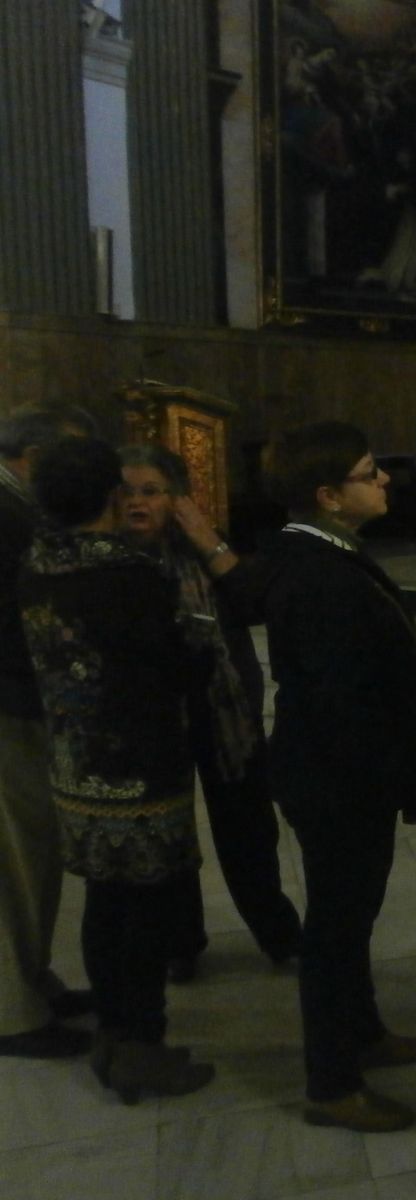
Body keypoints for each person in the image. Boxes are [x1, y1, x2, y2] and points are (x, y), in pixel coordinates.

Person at [17, 436, 214, 1101]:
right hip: (138, 768)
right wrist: (199, 645)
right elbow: (173, 667)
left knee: (105, 903)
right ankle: (141, 1046)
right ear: (113, 495)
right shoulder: (129, 573)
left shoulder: (37, 563)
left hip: (75, 764)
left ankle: (113, 1032)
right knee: (148, 911)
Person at [258, 420, 416, 1133]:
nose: (385, 479)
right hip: (336, 779)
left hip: (340, 773)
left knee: (351, 918)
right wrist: (392, 773)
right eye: (370, 472)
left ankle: (363, 1032)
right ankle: (332, 1084)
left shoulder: (326, 553)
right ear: (330, 495)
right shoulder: (320, 572)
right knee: (334, 932)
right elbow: (342, 699)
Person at [118, 444, 302, 980]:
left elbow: (253, 604)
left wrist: (206, 538)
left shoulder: (207, 551)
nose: (136, 502)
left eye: (150, 491)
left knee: (247, 830)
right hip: (155, 719)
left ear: (177, 500)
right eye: (126, 492)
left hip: (225, 715)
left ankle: (279, 935)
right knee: (169, 836)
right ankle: (180, 942)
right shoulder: (111, 560)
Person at [0, 405, 97, 1059]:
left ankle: (33, 981)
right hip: (6, 704)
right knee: (13, 861)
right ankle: (13, 1012)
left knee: (32, 853)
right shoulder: (7, 514)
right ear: (31, 460)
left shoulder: (14, 506)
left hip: (18, 701)